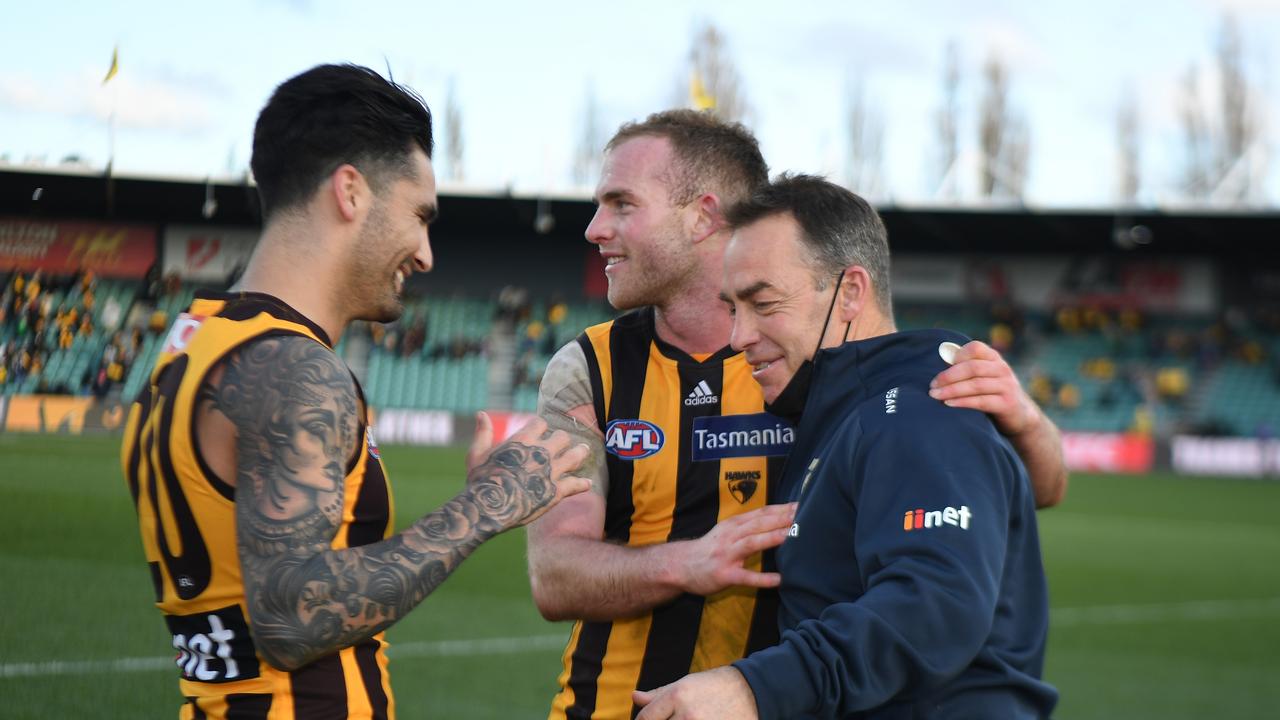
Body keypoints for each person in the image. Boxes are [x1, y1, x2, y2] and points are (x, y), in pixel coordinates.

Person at [528, 111, 1066, 720]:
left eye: (622, 204)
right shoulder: (593, 368)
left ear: (703, 214)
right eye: (736, 308)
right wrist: (688, 562)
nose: (596, 228)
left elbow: (999, 513)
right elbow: (553, 575)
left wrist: (1023, 419)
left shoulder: (868, 386)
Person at [120, 64, 589, 719]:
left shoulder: (192, 345)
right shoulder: (292, 369)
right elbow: (290, 617)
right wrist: (485, 506)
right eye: (419, 216)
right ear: (351, 192)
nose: (426, 253)